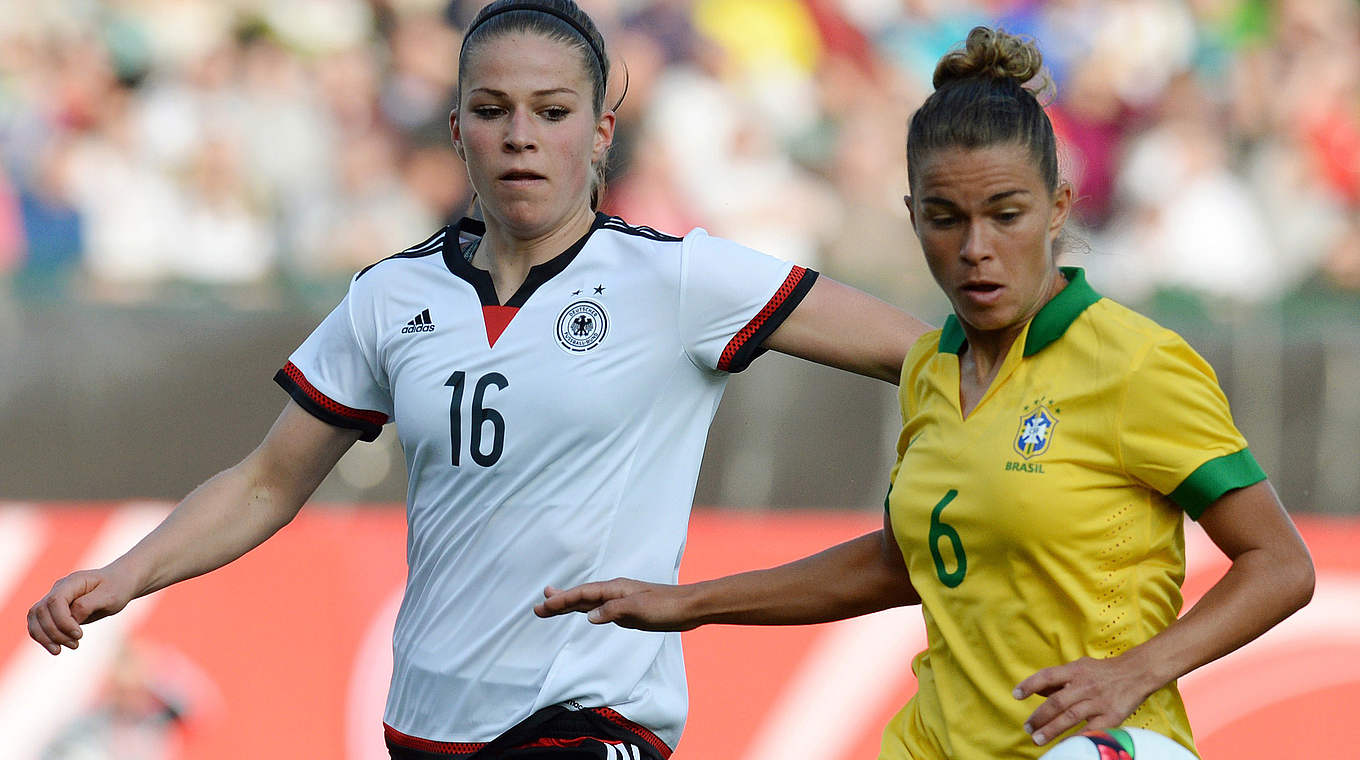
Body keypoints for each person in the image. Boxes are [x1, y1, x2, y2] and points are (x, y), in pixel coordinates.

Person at [26, 2, 928, 758]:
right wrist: (124, 574)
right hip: (430, 722)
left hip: (596, 715)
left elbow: (921, 350)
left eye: (553, 110)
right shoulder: (392, 296)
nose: (522, 136)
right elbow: (267, 481)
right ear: (457, 127)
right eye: (493, 109)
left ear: (602, 128)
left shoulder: (682, 281)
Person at [535, 27, 1317, 760]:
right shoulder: (929, 370)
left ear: (1057, 208)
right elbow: (906, 562)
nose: (977, 249)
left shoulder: (1136, 364)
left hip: (1088, 748)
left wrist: (1136, 670)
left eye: (1006, 215)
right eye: (946, 219)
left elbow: (1280, 565)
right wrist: (689, 603)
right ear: (913, 218)